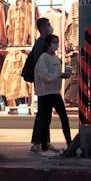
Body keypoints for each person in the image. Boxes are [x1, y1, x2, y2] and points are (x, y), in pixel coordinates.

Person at [29, 20, 71, 155]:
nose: (50, 27)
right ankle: (40, 145)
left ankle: (59, 144)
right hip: (45, 92)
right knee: (44, 118)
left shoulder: (55, 57)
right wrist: (57, 76)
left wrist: (61, 76)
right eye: (48, 25)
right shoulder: (41, 50)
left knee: (57, 117)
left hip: (54, 91)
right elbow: (43, 73)